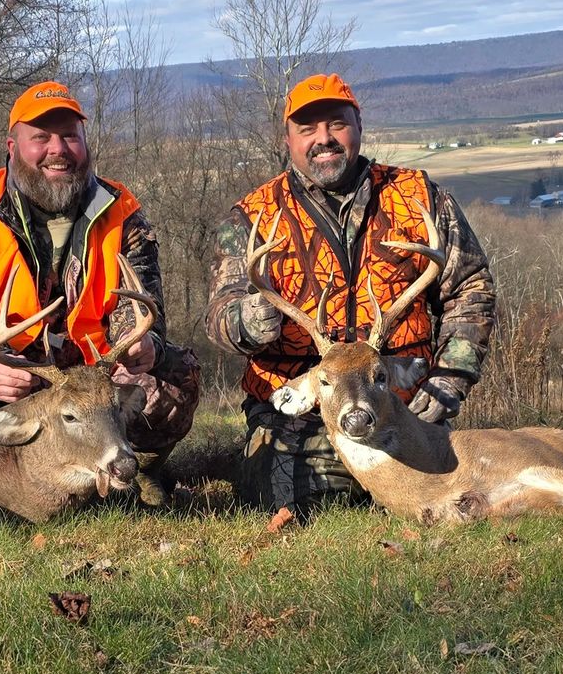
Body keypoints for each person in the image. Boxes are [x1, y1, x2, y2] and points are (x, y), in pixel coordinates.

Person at [206, 73, 495, 513]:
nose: (324, 139)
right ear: (288, 138)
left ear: (358, 126)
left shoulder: (418, 198)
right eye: (308, 129)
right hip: (299, 413)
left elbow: (470, 288)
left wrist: (447, 382)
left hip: (403, 404)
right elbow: (219, 316)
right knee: (305, 492)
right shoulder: (254, 216)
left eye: (336, 124)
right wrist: (246, 319)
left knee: (463, 486)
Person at [0, 80, 200, 504]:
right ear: (12, 146)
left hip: (93, 379)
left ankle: (135, 471)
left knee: (171, 370)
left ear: (85, 143)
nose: (58, 148)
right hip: (11, 376)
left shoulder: (121, 211)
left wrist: (139, 343)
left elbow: (141, 295)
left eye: (70, 135)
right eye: (41, 137)